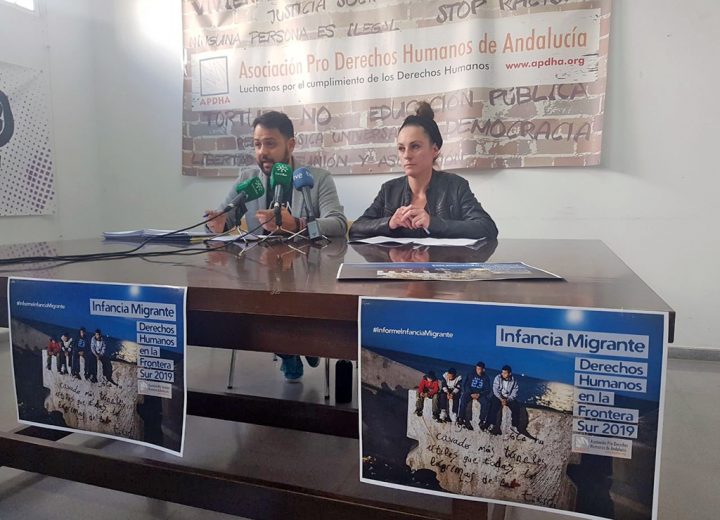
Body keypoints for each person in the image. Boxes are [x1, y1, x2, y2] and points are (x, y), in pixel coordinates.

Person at [205, 111, 348, 382]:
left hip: (307, 274)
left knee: (285, 300)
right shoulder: (248, 178)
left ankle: (303, 341)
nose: (262, 152)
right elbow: (225, 218)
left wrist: (298, 224)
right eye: (257, 144)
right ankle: (294, 347)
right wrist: (218, 223)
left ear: (290, 145)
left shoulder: (317, 178)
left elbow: (338, 223)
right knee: (259, 298)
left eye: (270, 143)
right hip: (260, 273)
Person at [349, 102, 498, 240]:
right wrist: (389, 223)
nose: (406, 155)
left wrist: (432, 223)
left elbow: (487, 228)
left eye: (415, 146)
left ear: (434, 149)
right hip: (398, 261)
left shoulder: (455, 186)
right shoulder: (389, 190)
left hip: (443, 261)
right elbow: (356, 229)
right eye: (401, 148)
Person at [487, 365, 521, 435]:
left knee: (516, 407)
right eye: (502, 372)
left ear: (509, 373)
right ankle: (491, 424)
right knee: (493, 404)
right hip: (498, 396)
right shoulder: (498, 377)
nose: (503, 374)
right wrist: (501, 398)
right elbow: (495, 389)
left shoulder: (514, 381)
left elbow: (514, 393)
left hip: (508, 398)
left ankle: (514, 426)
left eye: (505, 373)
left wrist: (508, 400)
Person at [457, 361, 492, 431]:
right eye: (477, 368)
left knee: (486, 403)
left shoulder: (486, 378)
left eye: (479, 369)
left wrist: (480, 394)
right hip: (470, 393)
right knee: (463, 399)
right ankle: (461, 418)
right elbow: (465, 385)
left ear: (483, 369)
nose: (477, 370)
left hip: (480, 394)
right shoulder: (471, 374)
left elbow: (488, 389)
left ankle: (482, 421)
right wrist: (470, 393)